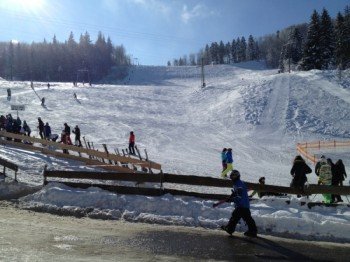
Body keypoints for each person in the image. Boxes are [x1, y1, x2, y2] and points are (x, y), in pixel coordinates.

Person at [213, 170, 258, 237]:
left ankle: (230, 229)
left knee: (237, 216)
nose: (231, 178)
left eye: (232, 176)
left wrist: (231, 199)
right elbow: (239, 193)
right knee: (245, 218)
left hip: (241, 204)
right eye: (231, 176)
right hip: (244, 204)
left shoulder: (238, 184)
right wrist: (233, 195)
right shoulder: (239, 183)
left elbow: (239, 196)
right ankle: (252, 231)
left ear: (236, 176)